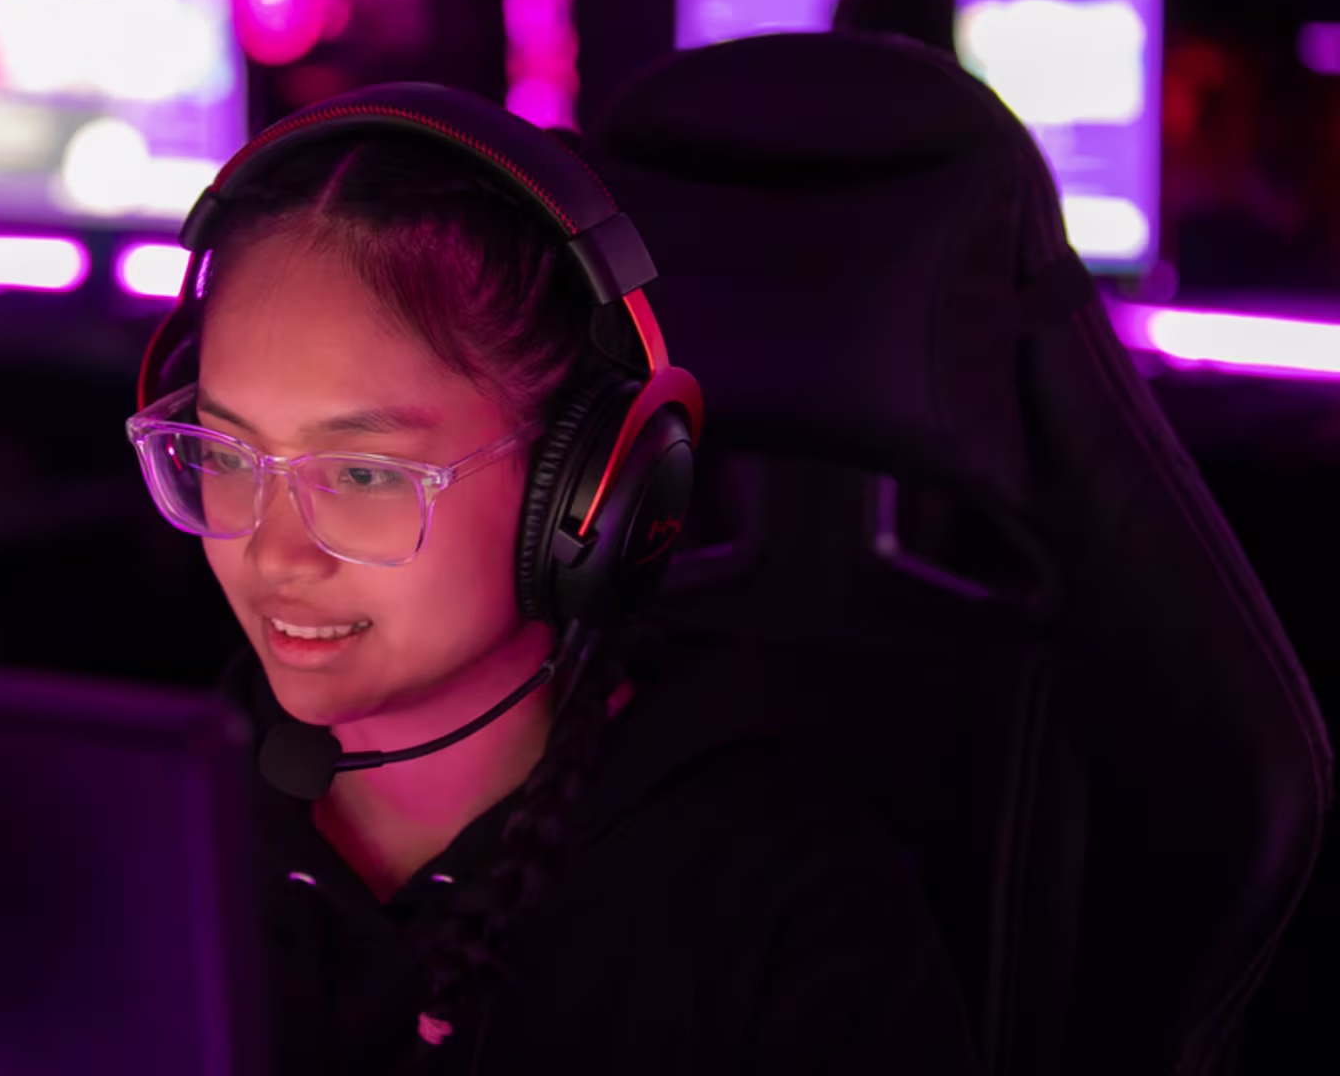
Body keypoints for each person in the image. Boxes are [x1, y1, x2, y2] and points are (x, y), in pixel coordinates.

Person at [125, 86, 981, 1074]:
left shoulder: (785, 908)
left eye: (362, 474)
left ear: (589, 486)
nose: (276, 552)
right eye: (224, 453)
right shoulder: (138, 825)